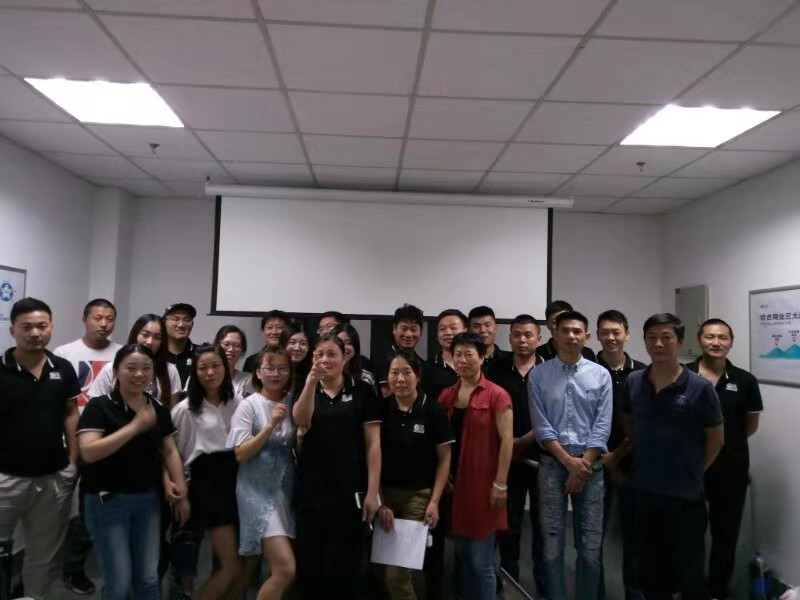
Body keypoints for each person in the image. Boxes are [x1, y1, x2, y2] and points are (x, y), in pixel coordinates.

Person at [621, 313, 724, 600]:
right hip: (644, 493)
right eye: (652, 337)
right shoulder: (633, 382)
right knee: (652, 575)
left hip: (685, 497)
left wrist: (694, 470)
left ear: (679, 342)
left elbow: (716, 439)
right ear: (644, 341)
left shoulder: (700, 387)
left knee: (690, 575)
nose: (658, 343)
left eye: (666, 337)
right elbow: (629, 427)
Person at [77, 344, 187, 600]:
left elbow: (169, 451)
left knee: (148, 578)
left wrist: (182, 493)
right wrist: (135, 426)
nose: (139, 374)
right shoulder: (100, 406)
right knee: (119, 582)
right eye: (131, 368)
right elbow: (89, 452)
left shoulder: (157, 408)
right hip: (107, 500)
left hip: (148, 499)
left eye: (146, 368)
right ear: (116, 371)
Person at [0, 298, 80, 600]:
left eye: (42, 326)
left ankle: (33, 596)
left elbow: (71, 413)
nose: (35, 333)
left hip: (52, 478)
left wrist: (73, 460)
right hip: (5, 478)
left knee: (42, 556)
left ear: (51, 328)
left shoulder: (63, 368)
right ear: (13, 331)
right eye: (27, 327)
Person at [529, 310, 612, 600]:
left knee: (590, 549)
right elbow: (541, 426)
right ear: (554, 334)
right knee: (551, 549)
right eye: (565, 331)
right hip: (552, 465)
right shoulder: (539, 375)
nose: (571, 336)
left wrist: (582, 465)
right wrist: (569, 463)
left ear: (586, 336)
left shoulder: (601, 375)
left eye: (577, 331)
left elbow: (602, 425)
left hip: (591, 468)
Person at [292, 334, 381, 599]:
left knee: (344, 565)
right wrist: (310, 383)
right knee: (311, 565)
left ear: (345, 358)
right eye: (319, 354)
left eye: (331, 354)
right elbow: (300, 420)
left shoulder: (362, 391)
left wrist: (373, 492)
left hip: (349, 491)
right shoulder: (306, 388)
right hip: (311, 491)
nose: (325, 360)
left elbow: (373, 445)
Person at [686, 318, 763, 600]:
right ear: (699, 340)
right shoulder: (683, 375)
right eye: (709, 337)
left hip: (731, 469)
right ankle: (689, 587)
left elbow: (749, 426)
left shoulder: (745, 381)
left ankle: (717, 590)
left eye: (722, 337)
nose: (716, 342)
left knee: (725, 535)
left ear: (731, 342)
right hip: (688, 467)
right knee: (688, 532)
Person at [438, 332, 513, 600]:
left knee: (481, 563)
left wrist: (500, 483)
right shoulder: (447, 396)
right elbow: (441, 442)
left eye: (469, 354)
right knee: (462, 559)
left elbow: (507, 441)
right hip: (455, 488)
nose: (463, 360)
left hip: (485, 487)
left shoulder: (497, 395)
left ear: (482, 358)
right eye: (458, 354)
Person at [55, 298, 121, 595]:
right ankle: (50, 565)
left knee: (92, 508)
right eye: (97, 318)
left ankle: (75, 568)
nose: (104, 324)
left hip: (106, 444)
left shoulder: (121, 353)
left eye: (109, 318)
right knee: (56, 509)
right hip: (67, 442)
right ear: (85, 319)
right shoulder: (64, 353)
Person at [376, 350, 454, 600]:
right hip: (386, 496)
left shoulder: (432, 409)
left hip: (418, 497)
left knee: (397, 576)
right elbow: (372, 458)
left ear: (418, 376)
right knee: (382, 574)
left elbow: (444, 458)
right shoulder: (381, 409)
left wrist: (434, 501)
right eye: (394, 373)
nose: (400, 379)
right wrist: (380, 502)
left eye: (407, 372)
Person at [171, 345, 242, 600]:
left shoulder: (238, 402)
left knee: (234, 564)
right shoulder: (185, 409)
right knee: (229, 565)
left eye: (216, 366)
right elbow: (173, 455)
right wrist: (182, 496)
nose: (210, 372)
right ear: (195, 372)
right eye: (203, 368)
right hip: (206, 485)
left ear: (226, 367)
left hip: (236, 480)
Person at [228, 347, 297, 600]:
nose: (276, 374)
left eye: (282, 368)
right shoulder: (249, 405)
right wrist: (270, 426)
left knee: (255, 569)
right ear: (258, 372)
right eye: (270, 368)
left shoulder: (292, 402)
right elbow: (241, 453)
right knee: (285, 569)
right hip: (256, 491)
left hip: (285, 489)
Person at [486, 314, 545, 597]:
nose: (522, 340)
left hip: (545, 459)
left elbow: (558, 412)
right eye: (517, 335)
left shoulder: (549, 370)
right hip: (506, 460)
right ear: (509, 338)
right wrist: (510, 443)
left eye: (528, 335)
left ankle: (545, 587)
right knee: (508, 527)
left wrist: (526, 439)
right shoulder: (495, 370)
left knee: (544, 528)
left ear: (539, 339)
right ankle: (509, 586)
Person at [594, 310, 645, 600]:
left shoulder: (643, 373)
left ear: (627, 334)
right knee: (592, 538)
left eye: (616, 332)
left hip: (634, 462)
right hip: (594, 462)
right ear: (597, 336)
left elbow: (645, 422)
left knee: (634, 537)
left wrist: (619, 455)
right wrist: (605, 458)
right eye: (605, 332)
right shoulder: (586, 368)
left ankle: (634, 594)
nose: (611, 337)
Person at [89, 314, 182, 407]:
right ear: (135, 334)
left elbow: (173, 411)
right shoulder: (111, 368)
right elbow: (95, 406)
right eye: (145, 335)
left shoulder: (170, 370)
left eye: (157, 337)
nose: (150, 341)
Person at [377, 304, 425, 397]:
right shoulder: (384, 359)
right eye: (404, 329)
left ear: (421, 332)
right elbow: (386, 397)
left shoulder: (422, 363)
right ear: (394, 329)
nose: (408, 334)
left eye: (413, 329)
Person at [422, 309, 467, 402]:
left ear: (465, 331)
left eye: (453, 328)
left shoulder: (476, 364)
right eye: (442, 329)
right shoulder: (426, 368)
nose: (448, 333)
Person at [333, 323, 377, 391]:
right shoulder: (324, 376)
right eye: (339, 343)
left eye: (348, 343)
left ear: (355, 346)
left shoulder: (366, 378)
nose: (344, 347)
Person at [164, 303, 199, 387]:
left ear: (192, 325)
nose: (181, 325)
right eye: (175, 319)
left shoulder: (200, 354)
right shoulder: (156, 353)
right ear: (164, 322)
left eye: (187, 320)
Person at [213, 325, 252, 397]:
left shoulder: (247, 380)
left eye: (237, 345)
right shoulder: (205, 375)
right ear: (217, 346)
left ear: (242, 350)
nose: (231, 349)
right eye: (226, 344)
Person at [468, 306, 508, 372]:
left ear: (496, 328)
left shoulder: (510, 360)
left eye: (487, 325)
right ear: (469, 330)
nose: (483, 330)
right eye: (477, 326)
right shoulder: (464, 361)